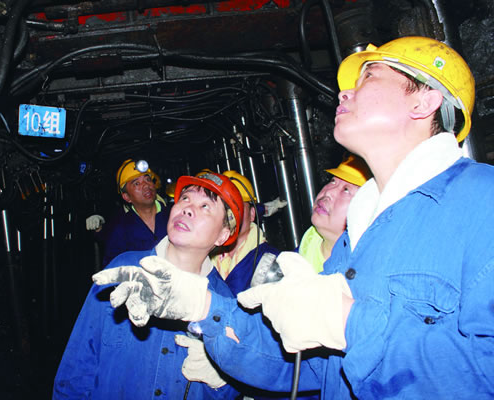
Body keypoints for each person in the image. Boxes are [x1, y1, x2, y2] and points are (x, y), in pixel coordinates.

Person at [93, 36, 494, 399]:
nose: (344, 92)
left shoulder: (482, 202)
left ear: (423, 102)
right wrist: (205, 308)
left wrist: (346, 321)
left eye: (369, 76)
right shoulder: (362, 228)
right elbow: (312, 366)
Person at [54, 172, 244, 399]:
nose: (188, 209)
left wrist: (221, 382)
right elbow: (79, 361)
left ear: (223, 235)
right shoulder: (124, 269)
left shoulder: (223, 303)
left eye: (205, 206)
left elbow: (227, 391)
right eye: (185, 198)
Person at [87, 158, 171, 267]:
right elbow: (113, 269)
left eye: (148, 179)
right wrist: (99, 229)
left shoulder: (174, 215)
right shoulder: (120, 229)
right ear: (127, 197)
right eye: (137, 183)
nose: (146, 185)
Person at [298, 154, 370, 273]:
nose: (328, 192)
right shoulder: (308, 243)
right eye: (333, 181)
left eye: (346, 190)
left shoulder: (363, 269)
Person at [213, 170, 280, 295]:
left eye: (236, 206)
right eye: (223, 206)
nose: (229, 214)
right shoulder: (202, 255)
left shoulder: (270, 261)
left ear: (252, 214)